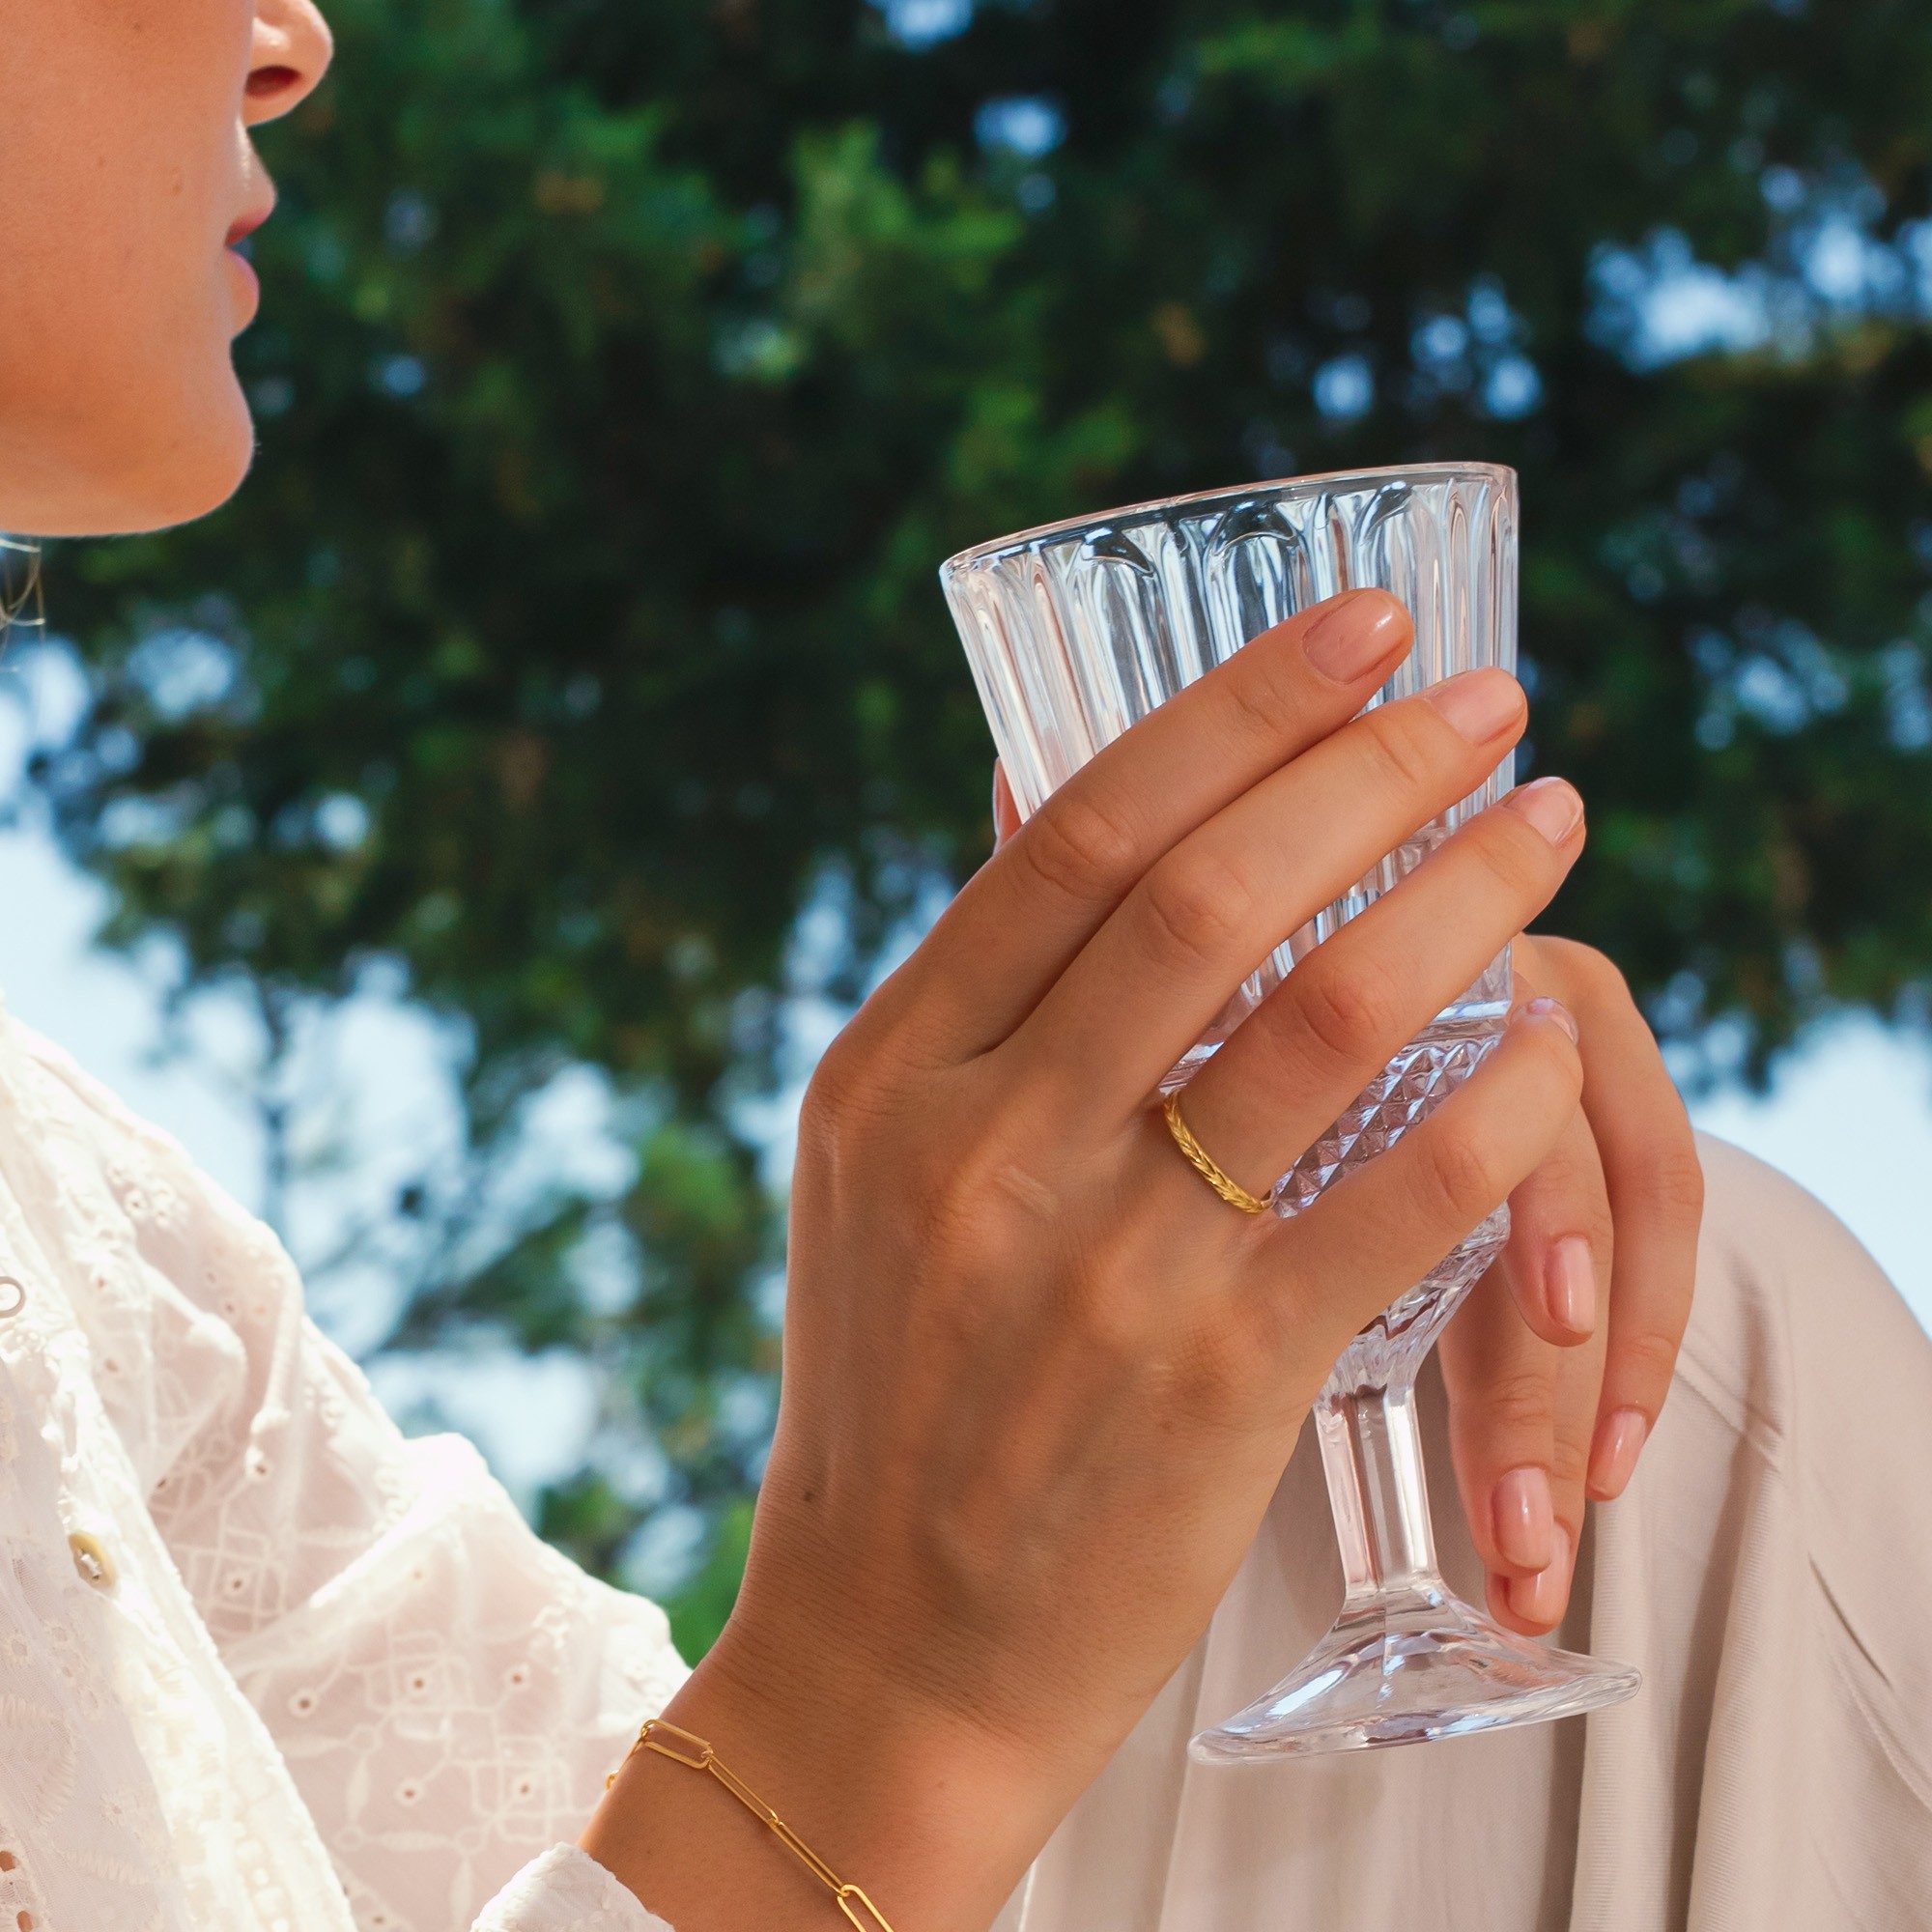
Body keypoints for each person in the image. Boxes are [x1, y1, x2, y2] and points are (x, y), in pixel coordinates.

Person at [0, 5, 1925, 1931]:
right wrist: (881, 1705)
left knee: (1595, 1340)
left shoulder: (78, 1225)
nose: (288, 40)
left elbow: (585, 1822)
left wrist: (1200, 1250)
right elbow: (775, 1794)